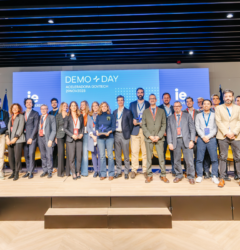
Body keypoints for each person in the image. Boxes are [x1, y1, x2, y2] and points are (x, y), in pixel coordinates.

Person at [215, 90, 240, 188]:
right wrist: (226, 133)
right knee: (223, 157)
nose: (228, 98)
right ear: (223, 98)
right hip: (223, 136)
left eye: (230, 96)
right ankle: (222, 178)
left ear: (233, 97)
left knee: (238, 157)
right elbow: (218, 121)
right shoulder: (219, 108)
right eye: (226, 96)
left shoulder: (238, 108)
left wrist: (233, 132)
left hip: (236, 136)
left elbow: (239, 121)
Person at [142, 94, 169, 183]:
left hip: (159, 138)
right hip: (148, 138)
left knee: (161, 157)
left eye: (154, 98)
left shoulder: (161, 111)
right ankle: (149, 175)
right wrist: (149, 136)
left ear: (156, 100)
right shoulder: (145, 111)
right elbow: (144, 125)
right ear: (149, 100)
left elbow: (164, 124)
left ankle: (163, 175)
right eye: (150, 99)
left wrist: (159, 136)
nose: (152, 100)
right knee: (149, 157)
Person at [167, 101, 196, 184]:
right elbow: (168, 131)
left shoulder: (187, 116)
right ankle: (179, 175)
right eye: (175, 106)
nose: (176, 108)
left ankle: (190, 176)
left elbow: (192, 129)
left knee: (189, 160)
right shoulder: (170, 117)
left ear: (181, 107)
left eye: (178, 106)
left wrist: (192, 140)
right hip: (175, 141)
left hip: (186, 140)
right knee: (176, 160)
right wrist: (170, 142)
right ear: (173, 108)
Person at [195, 99, 219, 184]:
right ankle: (200, 175)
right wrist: (203, 136)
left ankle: (214, 176)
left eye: (208, 104)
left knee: (214, 159)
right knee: (199, 159)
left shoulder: (214, 115)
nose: (206, 105)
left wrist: (208, 136)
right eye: (204, 104)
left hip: (211, 139)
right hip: (201, 139)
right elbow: (197, 127)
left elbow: (215, 128)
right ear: (202, 105)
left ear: (211, 105)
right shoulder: (198, 115)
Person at [129, 88, 150, 179]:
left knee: (145, 152)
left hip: (145, 130)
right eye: (138, 92)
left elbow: (151, 116)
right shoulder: (132, 104)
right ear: (136, 93)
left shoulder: (148, 104)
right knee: (135, 151)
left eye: (142, 92)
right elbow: (129, 117)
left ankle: (145, 170)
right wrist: (132, 121)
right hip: (135, 130)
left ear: (144, 93)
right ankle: (134, 170)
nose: (140, 94)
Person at [113, 95, 133, 179]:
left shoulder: (128, 111)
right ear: (117, 101)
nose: (120, 102)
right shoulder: (114, 112)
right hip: (116, 134)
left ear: (124, 101)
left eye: (121, 100)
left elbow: (131, 124)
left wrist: (128, 133)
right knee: (117, 155)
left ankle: (126, 172)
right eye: (118, 100)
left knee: (126, 155)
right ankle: (118, 171)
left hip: (125, 135)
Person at [95, 102, 116, 181]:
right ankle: (103, 174)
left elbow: (114, 127)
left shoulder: (111, 116)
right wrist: (97, 131)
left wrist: (109, 132)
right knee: (102, 156)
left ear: (107, 107)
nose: (104, 107)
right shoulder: (98, 116)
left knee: (110, 156)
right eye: (102, 106)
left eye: (105, 106)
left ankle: (111, 174)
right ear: (100, 107)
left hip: (109, 137)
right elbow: (96, 126)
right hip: (100, 138)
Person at [64, 101, 84, 180]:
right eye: (72, 106)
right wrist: (72, 135)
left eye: (75, 105)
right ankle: (73, 173)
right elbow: (65, 128)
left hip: (79, 138)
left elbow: (82, 127)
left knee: (79, 157)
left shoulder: (80, 116)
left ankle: (78, 171)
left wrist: (81, 133)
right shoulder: (67, 116)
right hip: (70, 139)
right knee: (71, 157)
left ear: (77, 107)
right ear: (70, 107)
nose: (74, 107)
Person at [5, 103, 25, 181]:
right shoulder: (10, 118)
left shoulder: (21, 116)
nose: (14, 109)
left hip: (18, 140)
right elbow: (7, 129)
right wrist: (7, 138)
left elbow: (20, 129)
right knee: (11, 158)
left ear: (19, 109)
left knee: (17, 157)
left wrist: (15, 139)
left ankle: (17, 173)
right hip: (10, 140)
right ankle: (13, 172)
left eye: (16, 108)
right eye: (13, 108)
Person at [183, 97, 200, 176]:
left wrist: (196, 136)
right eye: (187, 101)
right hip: (186, 137)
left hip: (196, 137)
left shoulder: (198, 112)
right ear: (185, 103)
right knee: (187, 155)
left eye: (190, 101)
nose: (189, 103)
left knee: (197, 155)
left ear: (193, 102)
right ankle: (187, 171)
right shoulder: (183, 112)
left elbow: (200, 125)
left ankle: (195, 171)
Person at [159, 93, 175, 176]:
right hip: (163, 134)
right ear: (162, 99)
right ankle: (163, 170)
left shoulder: (174, 108)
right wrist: (162, 132)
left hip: (173, 134)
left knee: (173, 153)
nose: (166, 99)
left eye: (167, 98)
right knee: (162, 153)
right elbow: (157, 122)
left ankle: (174, 170)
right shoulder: (159, 108)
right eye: (164, 98)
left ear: (170, 99)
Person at [38, 104, 56, 178]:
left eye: (45, 109)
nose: (43, 110)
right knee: (43, 156)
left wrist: (51, 140)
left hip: (48, 138)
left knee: (49, 155)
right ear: (40, 110)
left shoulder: (51, 117)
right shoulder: (38, 118)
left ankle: (49, 171)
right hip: (40, 138)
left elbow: (54, 130)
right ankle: (44, 170)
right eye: (42, 109)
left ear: (47, 109)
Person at [23, 98, 39, 179]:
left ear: (32, 104)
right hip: (23, 138)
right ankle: (28, 171)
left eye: (30, 102)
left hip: (32, 138)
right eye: (27, 102)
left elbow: (36, 127)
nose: (29, 104)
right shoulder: (22, 114)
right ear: (25, 104)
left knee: (31, 154)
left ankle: (31, 172)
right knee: (26, 155)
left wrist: (31, 138)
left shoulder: (35, 113)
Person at [55, 102, 70, 177]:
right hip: (59, 135)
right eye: (64, 106)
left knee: (68, 153)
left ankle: (67, 172)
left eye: (66, 106)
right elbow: (56, 127)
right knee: (60, 153)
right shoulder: (58, 116)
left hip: (68, 135)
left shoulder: (69, 115)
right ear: (61, 107)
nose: (65, 107)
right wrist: (55, 137)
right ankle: (60, 172)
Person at [87, 102, 101, 178]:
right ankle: (95, 171)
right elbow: (88, 127)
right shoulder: (90, 116)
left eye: (96, 105)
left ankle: (100, 171)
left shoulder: (101, 115)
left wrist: (98, 134)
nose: (95, 107)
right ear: (91, 107)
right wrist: (92, 135)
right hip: (91, 136)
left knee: (100, 153)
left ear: (98, 106)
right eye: (93, 106)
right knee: (93, 154)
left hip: (99, 135)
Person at [80, 101, 90, 177]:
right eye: (81, 104)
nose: (82, 106)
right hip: (78, 135)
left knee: (85, 154)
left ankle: (84, 172)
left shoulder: (89, 114)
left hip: (86, 134)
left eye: (83, 104)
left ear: (86, 105)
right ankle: (77, 170)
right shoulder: (77, 113)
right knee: (77, 153)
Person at [49, 98, 59, 172]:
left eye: (55, 102)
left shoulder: (60, 112)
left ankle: (61, 166)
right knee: (54, 151)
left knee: (60, 151)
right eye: (52, 103)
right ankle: (55, 166)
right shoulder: (49, 112)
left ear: (57, 103)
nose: (54, 104)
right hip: (52, 134)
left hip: (59, 134)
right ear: (51, 104)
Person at [0, 105, 9, 180]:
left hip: (1, 135)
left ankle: (0, 172)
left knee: (1, 155)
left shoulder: (4, 113)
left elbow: (5, 125)